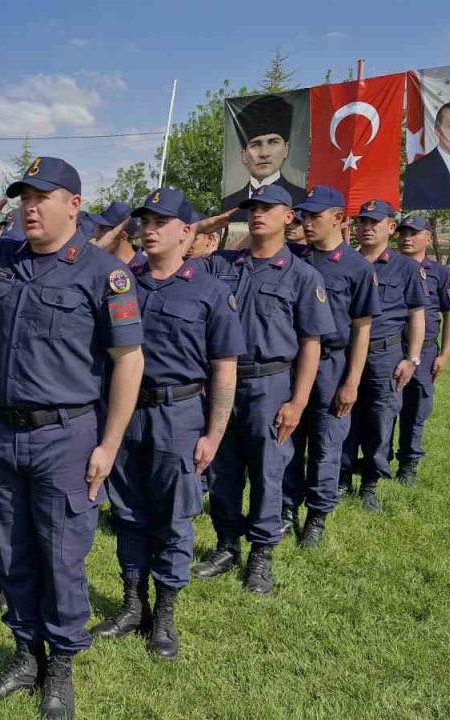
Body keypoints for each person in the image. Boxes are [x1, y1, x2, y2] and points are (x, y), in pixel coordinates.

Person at [0, 157, 144, 719]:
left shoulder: (102, 273)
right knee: (13, 548)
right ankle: (26, 654)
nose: (30, 206)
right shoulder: (1, 259)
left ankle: (61, 668)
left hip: (66, 436)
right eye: (24, 197)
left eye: (42, 196)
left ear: (74, 203)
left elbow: (128, 360)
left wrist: (109, 443)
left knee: (62, 556)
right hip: (1, 431)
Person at [93, 188, 242, 660]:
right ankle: (133, 605)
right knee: (129, 513)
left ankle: (165, 615)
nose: (149, 228)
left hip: (178, 416)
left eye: (161, 221)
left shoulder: (210, 290)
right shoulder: (121, 281)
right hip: (124, 412)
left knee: (175, 518)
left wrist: (214, 433)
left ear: (186, 231)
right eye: (144, 220)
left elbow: (224, 366)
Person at [191, 184, 334, 594]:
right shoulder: (222, 264)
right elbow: (173, 253)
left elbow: (311, 343)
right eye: (252, 207)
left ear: (289, 217)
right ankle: (226, 544)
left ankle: (261, 555)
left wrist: (298, 400)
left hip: (270, 384)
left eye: (268, 208)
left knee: (269, 472)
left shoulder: (303, 275)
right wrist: (208, 224)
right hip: (221, 382)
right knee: (223, 469)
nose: (257, 214)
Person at [281, 187, 380, 547]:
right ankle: (286, 509)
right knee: (288, 438)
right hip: (292, 363)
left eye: (314, 216)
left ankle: (317, 516)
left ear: (338, 219)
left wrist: (352, 381)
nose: (306, 222)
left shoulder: (357, 267)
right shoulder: (294, 258)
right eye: (304, 216)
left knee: (326, 442)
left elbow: (362, 328)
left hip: (331, 365)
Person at [340, 200, 425, 511]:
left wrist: (412, 359)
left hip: (384, 355)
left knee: (380, 419)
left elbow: (417, 314)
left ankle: (371, 483)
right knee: (343, 415)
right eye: (362, 222)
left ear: (391, 227)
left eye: (374, 222)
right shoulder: (345, 261)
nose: (367, 227)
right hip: (347, 353)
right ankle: (342, 476)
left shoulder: (406, 268)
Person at [394, 214, 450, 485]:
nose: (407, 238)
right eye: (403, 233)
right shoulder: (387, 266)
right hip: (389, 349)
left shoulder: (442, 273)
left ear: (428, 238)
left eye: (414, 233)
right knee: (384, 408)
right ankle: (377, 461)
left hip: (423, 353)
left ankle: (409, 464)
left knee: (416, 408)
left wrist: (444, 355)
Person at [222, 94, 308, 215]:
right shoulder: (229, 203)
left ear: (286, 149)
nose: (264, 153)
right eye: (255, 145)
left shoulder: (302, 199)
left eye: (273, 142)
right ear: (243, 155)